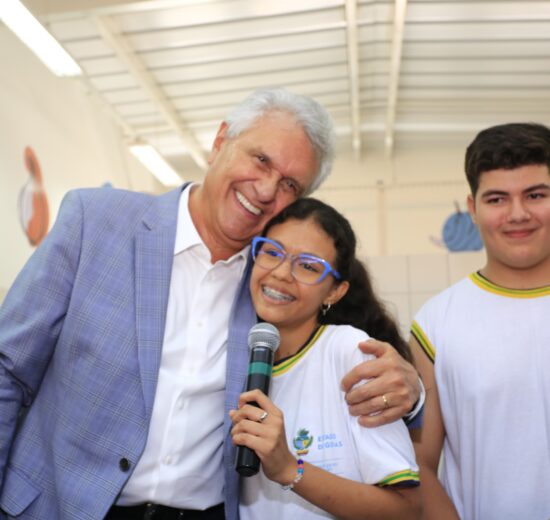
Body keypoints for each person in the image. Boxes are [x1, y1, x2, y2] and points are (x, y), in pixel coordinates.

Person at [0, 88, 421, 520]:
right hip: (60, 507)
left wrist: (414, 392)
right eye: (261, 160)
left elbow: (338, 351)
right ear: (220, 142)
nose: (265, 190)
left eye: (289, 185)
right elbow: (7, 367)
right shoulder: (95, 220)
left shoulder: (272, 281)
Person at [230, 198, 421, 519]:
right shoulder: (234, 354)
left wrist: (290, 468)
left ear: (335, 292)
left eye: (308, 266)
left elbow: (407, 510)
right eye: (272, 252)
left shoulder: (351, 353)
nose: (282, 273)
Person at [409, 122, 550, 520]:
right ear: (473, 209)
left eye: (536, 195)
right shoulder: (435, 324)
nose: (518, 214)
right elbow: (418, 463)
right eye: (497, 199)